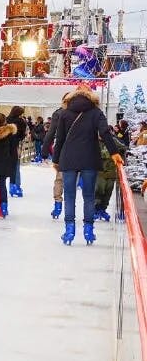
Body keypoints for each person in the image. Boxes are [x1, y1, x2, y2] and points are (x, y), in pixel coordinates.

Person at [51, 87, 123, 245]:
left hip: (68, 158)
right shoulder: (96, 112)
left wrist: (56, 160)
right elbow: (105, 132)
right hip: (89, 158)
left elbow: (60, 139)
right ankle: (88, 230)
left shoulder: (65, 112)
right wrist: (114, 153)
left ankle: (69, 230)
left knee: (69, 195)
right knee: (89, 196)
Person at [43, 93, 68, 219]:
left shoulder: (59, 114)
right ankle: (69, 210)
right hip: (81, 153)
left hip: (63, 151)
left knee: (60, 179)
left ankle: (58, 204)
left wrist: (44, 151)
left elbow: (51, 133)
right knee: (71, 181)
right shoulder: (84, 112)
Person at [6, 106, 27, 197]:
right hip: (15, 145)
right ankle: (15, 186)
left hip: (4, 145)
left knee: (3, 166)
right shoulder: (21, 121)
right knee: (16, 166)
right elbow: (22, 135)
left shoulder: (6, 120)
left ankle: (1, 186)